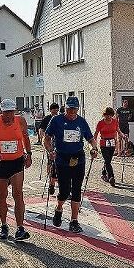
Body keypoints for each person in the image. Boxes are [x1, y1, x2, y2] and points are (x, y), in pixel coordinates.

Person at [0, 98, 33, 241]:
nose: (9, 116)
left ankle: (20, 228)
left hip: (16, 162)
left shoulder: (20, 120)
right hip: (0, 163)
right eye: (6, 113)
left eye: (11, 112)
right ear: (1, 112)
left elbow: (26, 138)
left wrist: (29, 154)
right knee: (2, 196)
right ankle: (4, 225)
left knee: (18, 194)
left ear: (14, 111)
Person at [44, 96, 99, 233]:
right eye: (69, 109)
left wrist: (94, 148)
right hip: (62, 158)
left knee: (76, 189)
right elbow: (47, 137)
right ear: (65, 108)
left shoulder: (81, 122)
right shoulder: (56, 120)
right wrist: (50, 150)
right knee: (64, 190)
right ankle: (59, 208)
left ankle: (74, 220)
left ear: (77, 109)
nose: (71, 113)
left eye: (74, 110)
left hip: (78, 158)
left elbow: (91, 138)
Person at [94, 107, 123, 187]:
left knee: (108, 161)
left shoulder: (115, 122)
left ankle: (103, 173)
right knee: (107, 161)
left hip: (112, 143)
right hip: (103, 143)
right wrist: (94, 144)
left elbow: (118, 130)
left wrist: (123, 136)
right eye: (107, 115)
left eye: (110, 115)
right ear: (104, 115)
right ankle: (111, 177)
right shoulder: (100, 123)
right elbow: (96, 133)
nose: (108, 117)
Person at [40, 103, 60, 195]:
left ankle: (60, 184)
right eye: (54, 110)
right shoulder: (47, 119)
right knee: (51, 163)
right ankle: (51, 182)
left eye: (57, 110)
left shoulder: (60, 119)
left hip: (59, 145)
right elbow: (41, 130)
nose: (55, 111)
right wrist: (43, 140)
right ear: (50, 110)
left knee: (59, 166)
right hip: (50, 144)